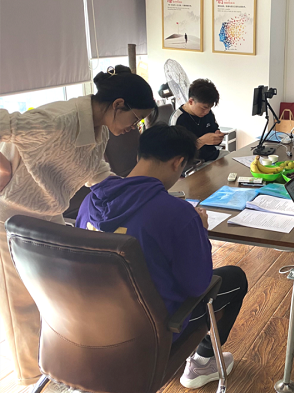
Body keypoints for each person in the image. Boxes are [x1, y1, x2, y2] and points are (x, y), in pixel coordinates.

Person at [0, 65, 156, 385]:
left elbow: (96, 172)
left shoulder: (99, 131)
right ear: (118, 104)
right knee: (22, 308)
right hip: (9, 221)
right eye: (136, 118)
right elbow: (6, 124)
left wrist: (140, 195)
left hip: (48, 216)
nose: (135, 126)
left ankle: (57, 370)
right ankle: (32, 380)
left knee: (58, 299)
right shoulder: (58, 121)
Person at [76, 124, 248, 389]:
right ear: (178, 162)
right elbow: (197, 285)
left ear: (139, 155)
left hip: (88, 324)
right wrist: (200, 232)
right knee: (235, 278)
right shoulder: (176, 213)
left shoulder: (89, 202)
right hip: (149, 331)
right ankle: (203, 362)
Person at [170, 78, 227, 169]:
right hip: (192, 163)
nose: (207, 112)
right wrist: (202, 141)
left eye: (210, 108)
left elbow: (214, 130)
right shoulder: (178, 119)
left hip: (212, 155)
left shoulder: (208, 113)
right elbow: (178, 153)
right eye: (204, 108)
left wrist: (217, 137)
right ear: (191, 101)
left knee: (231, 160)